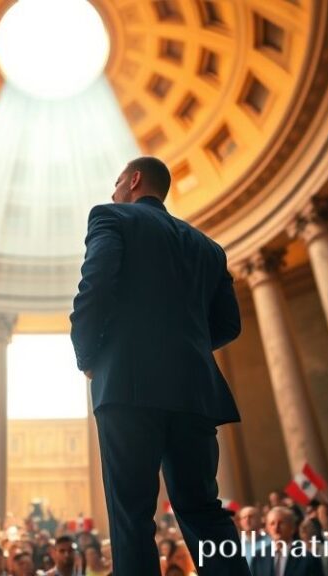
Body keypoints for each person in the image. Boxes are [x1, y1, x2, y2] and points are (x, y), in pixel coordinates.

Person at [70, 156, 247, 576]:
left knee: (131, 515)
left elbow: (94, 288)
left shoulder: (111, 217)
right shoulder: (208, 247)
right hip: (195, 392)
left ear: (133, 180)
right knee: (204, 510)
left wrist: (88, 356)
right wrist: (188, 348)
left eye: (116, 182)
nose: (112, 192)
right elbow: (229, 325)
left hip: (127, 386)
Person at [250, 507, 323, 576]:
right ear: (267, 528)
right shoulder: (258, 558)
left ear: (293, 528)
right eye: (272, 523)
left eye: (281, 523)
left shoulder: (308, 558)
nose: (276, 527)